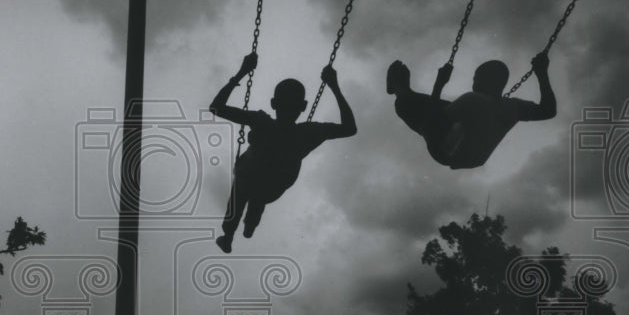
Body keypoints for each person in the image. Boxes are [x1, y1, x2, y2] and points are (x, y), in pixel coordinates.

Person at [209, 52, 357, 253]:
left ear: (273, 103)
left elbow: (216, 107)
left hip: (248, 178)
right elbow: (349, 128)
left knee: (244, 186)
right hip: (272, 188)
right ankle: (251, 223)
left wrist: (242, 72)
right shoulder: (308, 132)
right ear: (303, 107)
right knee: (260, 189)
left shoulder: (260, 121)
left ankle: (228, 235)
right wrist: (334, 86)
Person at [386, 52, 556, 169]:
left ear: (483, 80)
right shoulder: (512, 107)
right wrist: (542, 74)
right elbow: (548, 110)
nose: (473, 83)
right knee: (440, 106)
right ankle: (405, 91)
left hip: (444, 149)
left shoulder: (472, 99)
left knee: (407, 104)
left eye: (475, 79)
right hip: (471, 153)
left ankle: (400, 89)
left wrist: (439, 83)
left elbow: (433, 120)